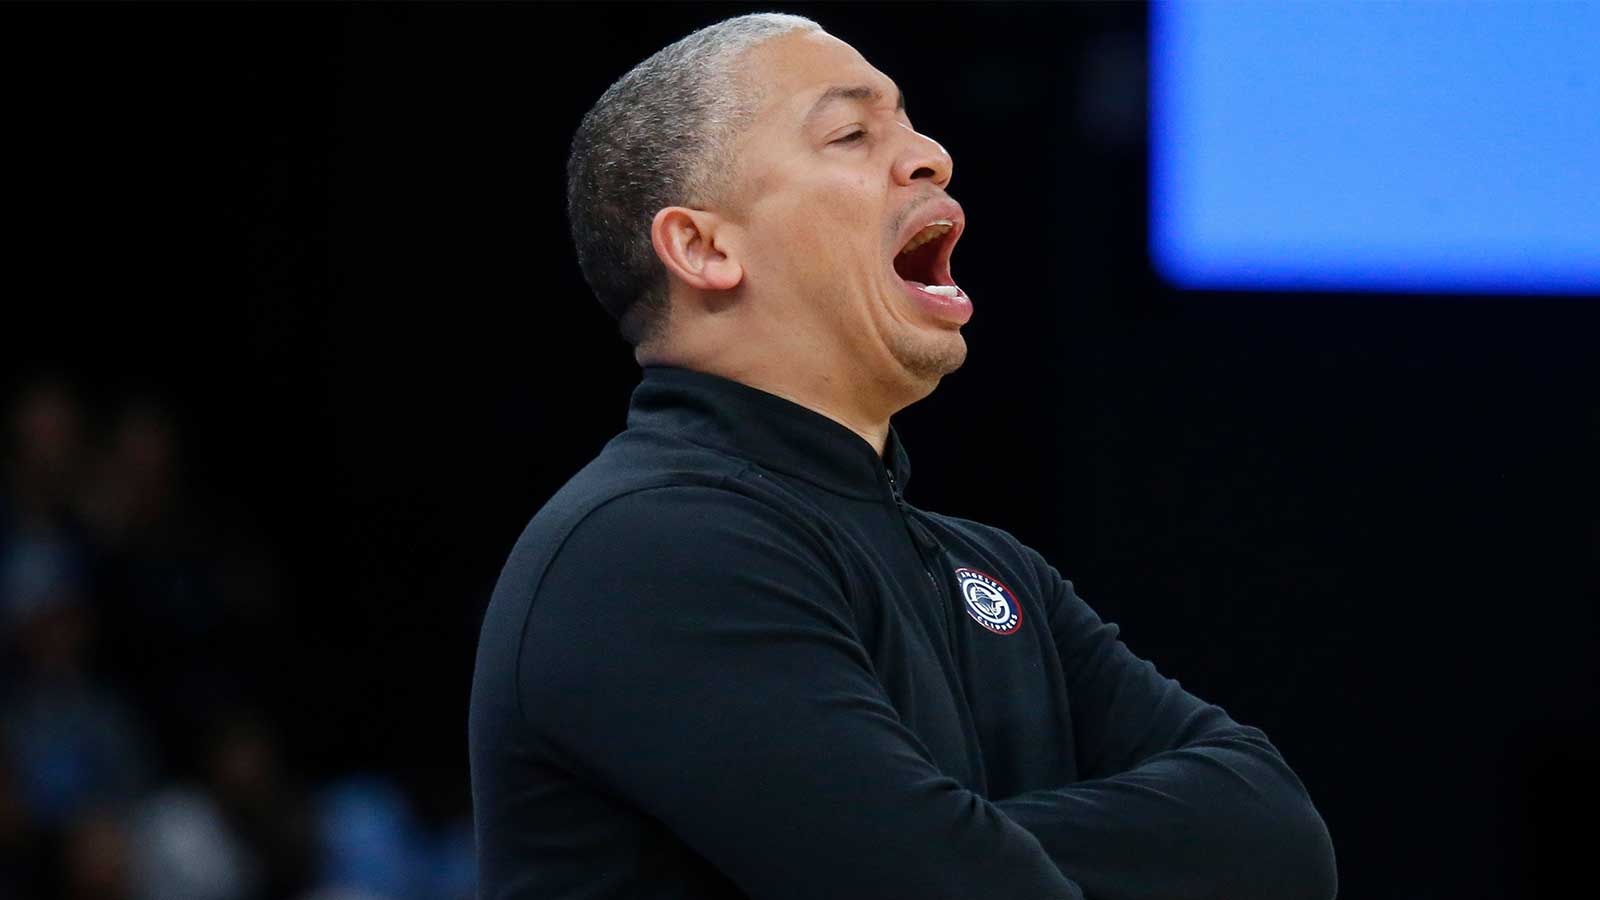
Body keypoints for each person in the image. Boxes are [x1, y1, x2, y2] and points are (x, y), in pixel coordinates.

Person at [469, 13, 1337, 900]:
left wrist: (957, 839)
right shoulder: (649, 548)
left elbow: (1277, 840)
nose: (931, 157)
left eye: (910, 123)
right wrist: (951, 854)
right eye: (851, 133)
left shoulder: (998, 574)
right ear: (703, 247)